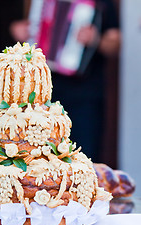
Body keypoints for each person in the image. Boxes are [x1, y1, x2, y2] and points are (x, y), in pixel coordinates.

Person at [9, 0, 120, 162]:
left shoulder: (102, 3)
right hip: (41, 93)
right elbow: (17, 25)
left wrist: (95, 39)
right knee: (40, 157)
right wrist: (20, 31)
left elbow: (115, 43)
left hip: (85, 94)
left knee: (83, 155)